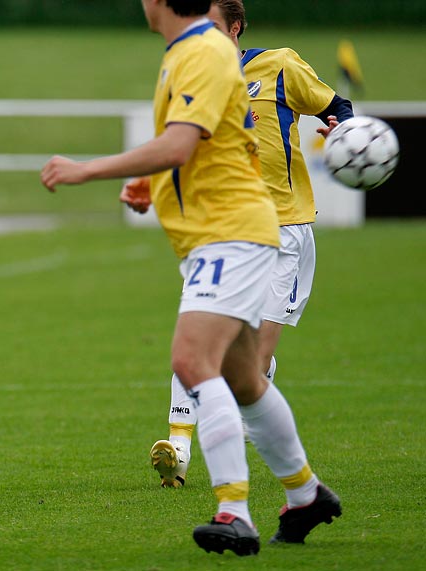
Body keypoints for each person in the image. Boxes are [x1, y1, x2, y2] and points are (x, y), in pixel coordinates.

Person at [41, 0, 341, 556]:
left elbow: (181, 144)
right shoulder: (190, 51)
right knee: (246, 378)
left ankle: (234, 512)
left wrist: (88, 168)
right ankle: (306, 495)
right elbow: (212, 147)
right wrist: (151, 184)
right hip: (222, 231)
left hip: (232, 233)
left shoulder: (201, 50)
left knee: (191, 361)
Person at [144, 0, 352, 532]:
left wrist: (346, 136)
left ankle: (243, 496)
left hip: (281, 231)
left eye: (213, 24)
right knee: (211, 357)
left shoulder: (279, 66)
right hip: (223, 233)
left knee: (241, 365)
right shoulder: (193, 71)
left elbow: (338, 107)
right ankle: (280, 490)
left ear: (235, 27)